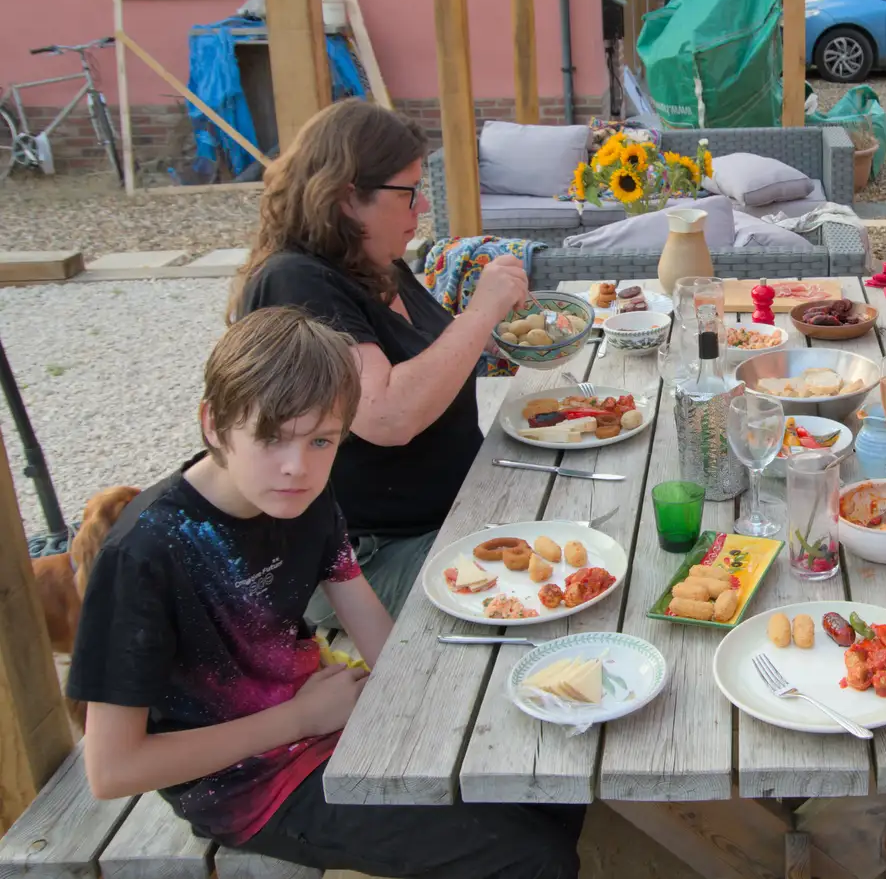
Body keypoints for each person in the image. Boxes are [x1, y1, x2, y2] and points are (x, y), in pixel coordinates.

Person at [67, 308, 582, 879]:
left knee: (552, 775)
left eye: (321, 439)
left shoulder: (304, 495)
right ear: (213, 425)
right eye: (270, 438)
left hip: (330, 714)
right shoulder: (144, 555)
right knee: (532, 858)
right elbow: (111, 769)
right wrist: (298, 718)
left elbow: (368, 621)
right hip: (247, 785)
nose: (297, 467)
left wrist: (446, 710)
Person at [232, 100, 529, 624]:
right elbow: (386, 413)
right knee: (556, 583)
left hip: (459, 507)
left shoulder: (374, 265)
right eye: (408, 193)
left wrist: (507, 333)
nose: (421, 210)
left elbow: (429, 351)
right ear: (348, 198)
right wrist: (479, 311)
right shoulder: (296, 281)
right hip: (367, 559)